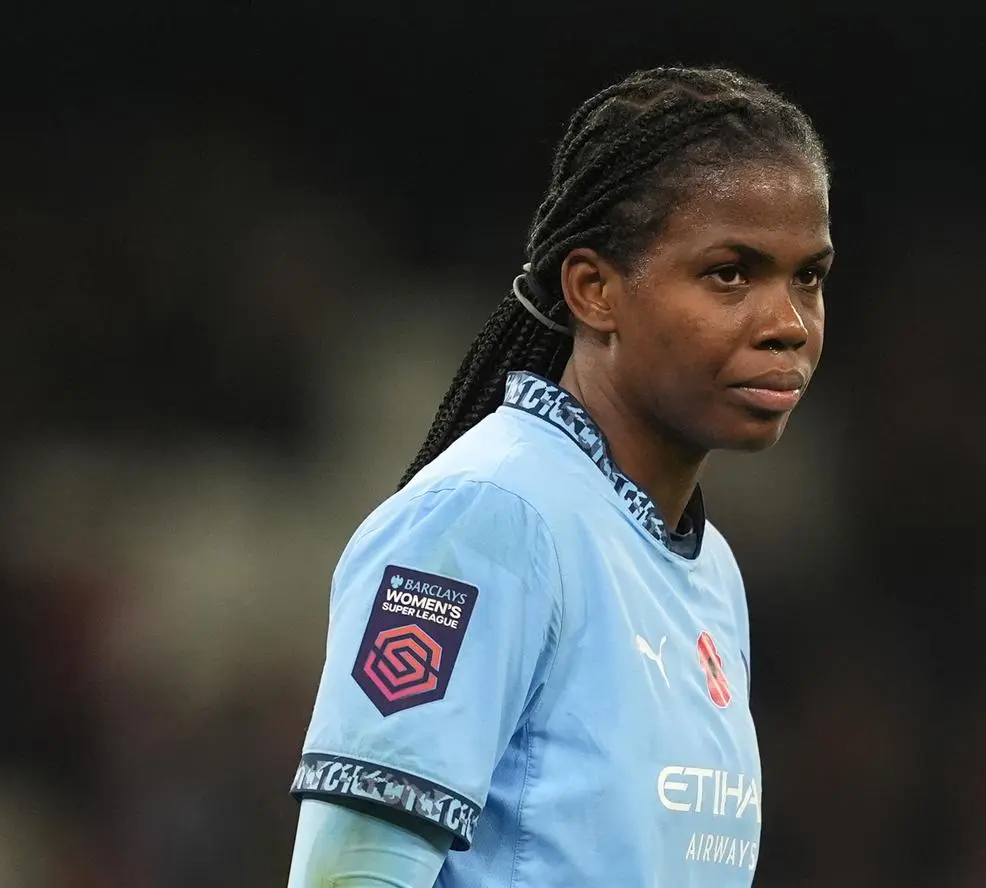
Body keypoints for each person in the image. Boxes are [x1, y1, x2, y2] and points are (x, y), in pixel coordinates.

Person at [285, 64, 834, 888]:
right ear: (594, 290)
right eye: (730, 273)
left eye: (809, 278)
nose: (788, 324)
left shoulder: (709, 570)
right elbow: (349, 876)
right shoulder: (488, 516)